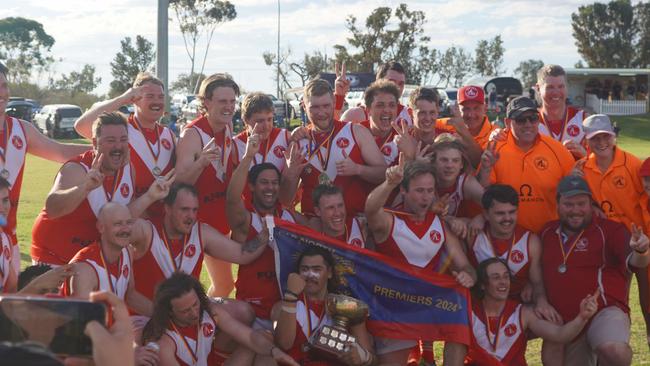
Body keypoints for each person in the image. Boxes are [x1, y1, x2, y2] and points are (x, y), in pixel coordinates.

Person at [365, 157, 476, 365]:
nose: (425, 197)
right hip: (394, 309)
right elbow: (370, 209)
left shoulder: (440, 225)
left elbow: (465, 266)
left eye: (429, 190)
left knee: (459, 311)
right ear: (404, 191)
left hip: (429, 306)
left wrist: (467, 276)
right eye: (419, 191)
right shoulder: (389, 222)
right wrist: (389, 183)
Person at [539, 175, 650, 365]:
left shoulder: (610, 230)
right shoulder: (546, 233)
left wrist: (641, 250)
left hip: (604, 311)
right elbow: (534, 272)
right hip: (569, 321)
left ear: (591, 204)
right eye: (569, 204)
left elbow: (637, 262)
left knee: (614, 351)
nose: (576, 210)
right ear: (557, 204)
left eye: (581, 203)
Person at [0, 61, 90, 272]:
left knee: (9, 302)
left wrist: (101, 149)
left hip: (9, 241)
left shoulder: (21, 130)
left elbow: (59, 152)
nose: (2, 92)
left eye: (4, 85)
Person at [572, 113, 650, 350]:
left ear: (613, 136)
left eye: (605, 136)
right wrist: (593, 206)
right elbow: (578, 200)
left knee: (648, 304)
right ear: (587, 140)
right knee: (617, 302)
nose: (601, 142)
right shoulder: (582, 168)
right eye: (595, 138)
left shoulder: (632, 164)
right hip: (610, 246)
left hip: (642, 243)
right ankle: (618, 348)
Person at [31, 112, 134, 266]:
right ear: (95, 143)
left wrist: (151, 196)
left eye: (123, 140)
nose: (118, 146)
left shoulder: (129, 169)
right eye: (110, 140)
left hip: (92, 261)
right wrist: (85, 187)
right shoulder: (77, 168)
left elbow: (126, 213)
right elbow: (52, 208)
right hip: (54, 259)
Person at [74, 72, 176, 220]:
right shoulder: (120, 130)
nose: (157, 102)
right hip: (130, 220)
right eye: (150, 96)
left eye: (161, 97)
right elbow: (81, 126)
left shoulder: (169, 135)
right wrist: (123, 99)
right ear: (135, 99)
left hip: (163, 221)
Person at [279, 78, 386, 217]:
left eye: (326, 106)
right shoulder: (298, 142)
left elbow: (384, 174)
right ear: (304, 107)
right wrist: (290, 175)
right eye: (314, 107)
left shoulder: (356, 132)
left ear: (334, 103)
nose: (321, 112)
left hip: (354, 226)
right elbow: (285, 200)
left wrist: (358, 169)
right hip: (314, 227)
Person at [141, 272, 298, 366]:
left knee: (264, 339)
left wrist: (275, 351)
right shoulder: (163, 341)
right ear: (169, 312)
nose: (194, 313)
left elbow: (246, 335)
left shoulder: (209, 311)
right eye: (185, 311)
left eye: (195, 304)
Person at [466, 258, 598, 365]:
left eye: (506, 277)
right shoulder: (468, 313)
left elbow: (560, 334)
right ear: (483, 284)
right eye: (496, 277)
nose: (503, 282)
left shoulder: (522, 313)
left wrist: (582, 317)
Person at [175, 73, 239, 297]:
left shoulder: (227, 126)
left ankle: (206, 327)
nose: (229, 107)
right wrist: (201, 162)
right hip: (193, 224)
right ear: (206, 102)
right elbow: (180, 183)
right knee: (184, 289)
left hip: (219, 220)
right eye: (222, 101)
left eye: (232, 101)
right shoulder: (193, 134)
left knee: (224, 286)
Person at [479, 96, 574, 233]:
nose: (528, 124)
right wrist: (486, 169)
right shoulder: (494, 148)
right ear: (507, 122)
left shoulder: (558, 150)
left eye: (533, 118)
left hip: (549, 235)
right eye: (521, 120)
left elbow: (573, 191)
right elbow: (483, 190)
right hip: (508, 236)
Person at [272, 245, 375, 366]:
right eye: (305, 269)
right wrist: (291, 296)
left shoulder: (348, 307)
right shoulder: (283, 307)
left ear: (330, 272)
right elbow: (284, 343)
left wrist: (362, 356)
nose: (310, 275)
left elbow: (373, 360)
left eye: (316, 270)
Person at [467, 184, 558, 320]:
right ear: (485, 214)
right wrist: (453, 220)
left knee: (551, 322)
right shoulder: (473, 234)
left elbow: (538, 283)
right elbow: (448, 225)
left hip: (517, 307)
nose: (507, 219)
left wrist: (541, 301)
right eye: (500, 213)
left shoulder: (530, 242)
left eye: (512, 212)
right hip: (480, 306)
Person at [63, 202, 153, 317]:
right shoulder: (85, 269)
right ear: (101, 227)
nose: (125, 229)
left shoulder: (127, 252)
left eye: (129, 223)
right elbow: (80, 322)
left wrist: (166, 319)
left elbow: (130, 296)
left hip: (110, 328)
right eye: (118, 224)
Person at [535, 64, 588, 159]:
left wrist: (585, 155)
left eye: (561, 86)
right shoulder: (529, 122)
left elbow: (601, 163)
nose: (556, 92)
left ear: (567, 87)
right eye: (550, 87)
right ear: (538, 89)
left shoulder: (584, 119)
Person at [340, 61, 412, 126]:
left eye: (401, 84)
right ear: (378, 82)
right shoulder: (355, 115)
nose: (397, 87)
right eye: (392, 82)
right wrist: (338, 97)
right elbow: (334, 136)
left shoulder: (409, 116)